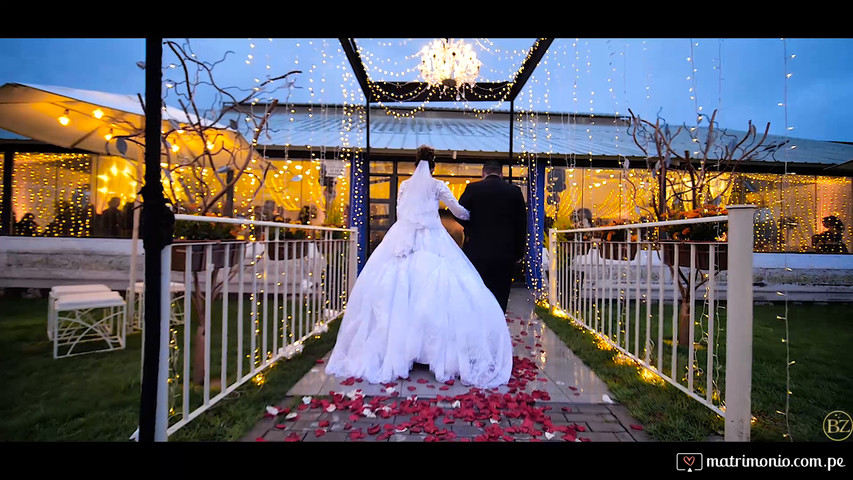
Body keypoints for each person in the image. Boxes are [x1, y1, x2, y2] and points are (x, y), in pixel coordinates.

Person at [325, 145, 512, 389]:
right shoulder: (437, 186)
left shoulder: (403, 186)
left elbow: (400, 211)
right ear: (433, 166)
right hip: (433, 241)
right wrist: (478, 216)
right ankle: (433, 351)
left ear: (416, 165)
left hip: (403, 239)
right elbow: (460, 212)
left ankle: (400, 350)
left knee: (400, 291)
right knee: (438, 293)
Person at [457, 160, 527, 313]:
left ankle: (481, 323)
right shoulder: (514, 191)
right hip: (505, 252)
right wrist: (519, 252)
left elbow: (459, 213)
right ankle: (498, 322)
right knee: (501, 292)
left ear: (483, 173)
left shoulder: (473, 188)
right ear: (501, 174)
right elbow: (522, 222)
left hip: (477, 250)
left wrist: (470, 228)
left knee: (478, 290)